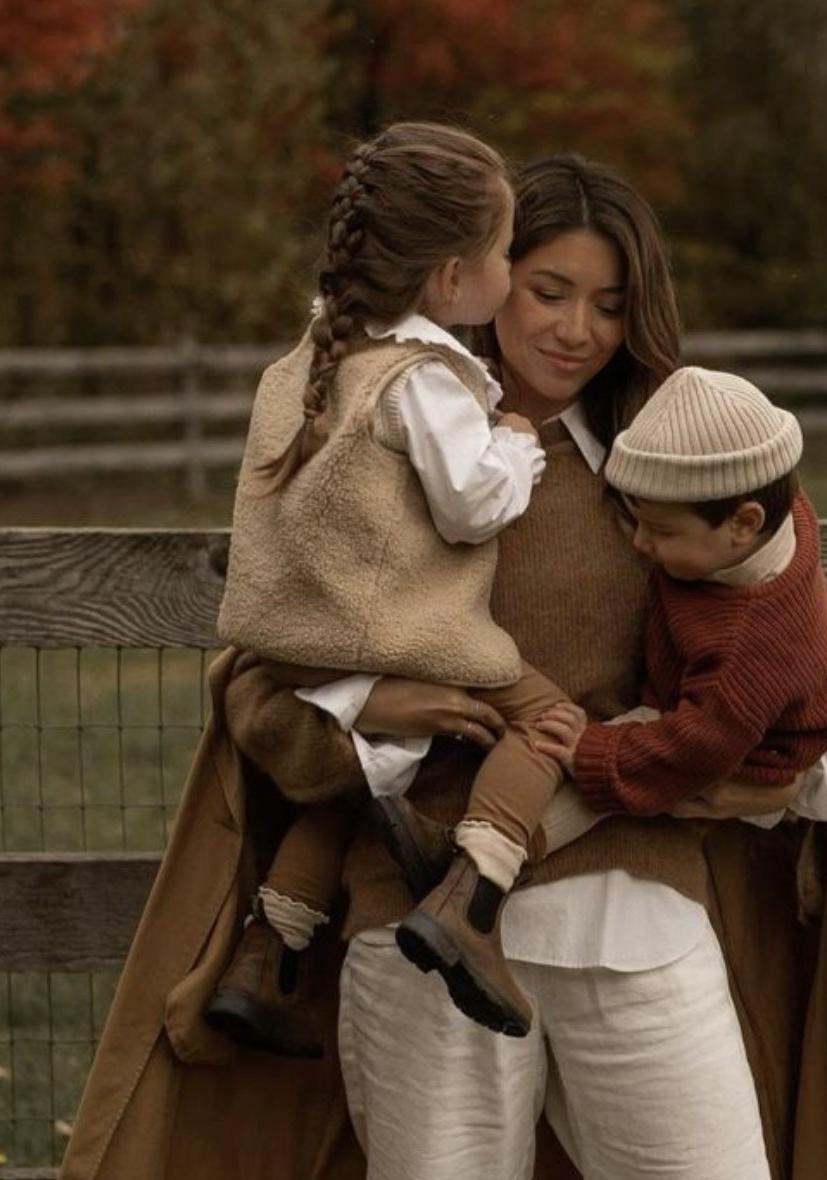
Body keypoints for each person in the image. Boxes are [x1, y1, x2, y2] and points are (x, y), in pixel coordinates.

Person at [57, 151, 827, 1180]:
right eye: (548, 289)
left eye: (610, 305)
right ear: (479, 277)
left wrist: (701, 771)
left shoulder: (687, 470)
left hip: (631, 907)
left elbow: (780, 674)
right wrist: (376, 707)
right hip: (410, 922)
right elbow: (261, 694)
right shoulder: (369, 429)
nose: (575, 329)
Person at [208, 118, 574, 1052]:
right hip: (383, 639)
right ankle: (474, 896)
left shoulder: (310, 359)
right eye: (502, 252)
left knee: (346, 794)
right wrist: (519, 442)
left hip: (295, 644)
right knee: (549, 722)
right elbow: (472, 507)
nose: (508, 267)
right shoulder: (427, 379)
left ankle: (271, 947)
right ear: (452, 277)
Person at [532, 365, 827, 839]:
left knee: (572, 787)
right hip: (713, 717)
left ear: (743, 523)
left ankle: (498, 862)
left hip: (738, 753)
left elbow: (694, 747)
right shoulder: (768, 508)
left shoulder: (752, 645)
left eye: (663, 531)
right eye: (637, 522)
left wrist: (592, 750)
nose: (640, 543)